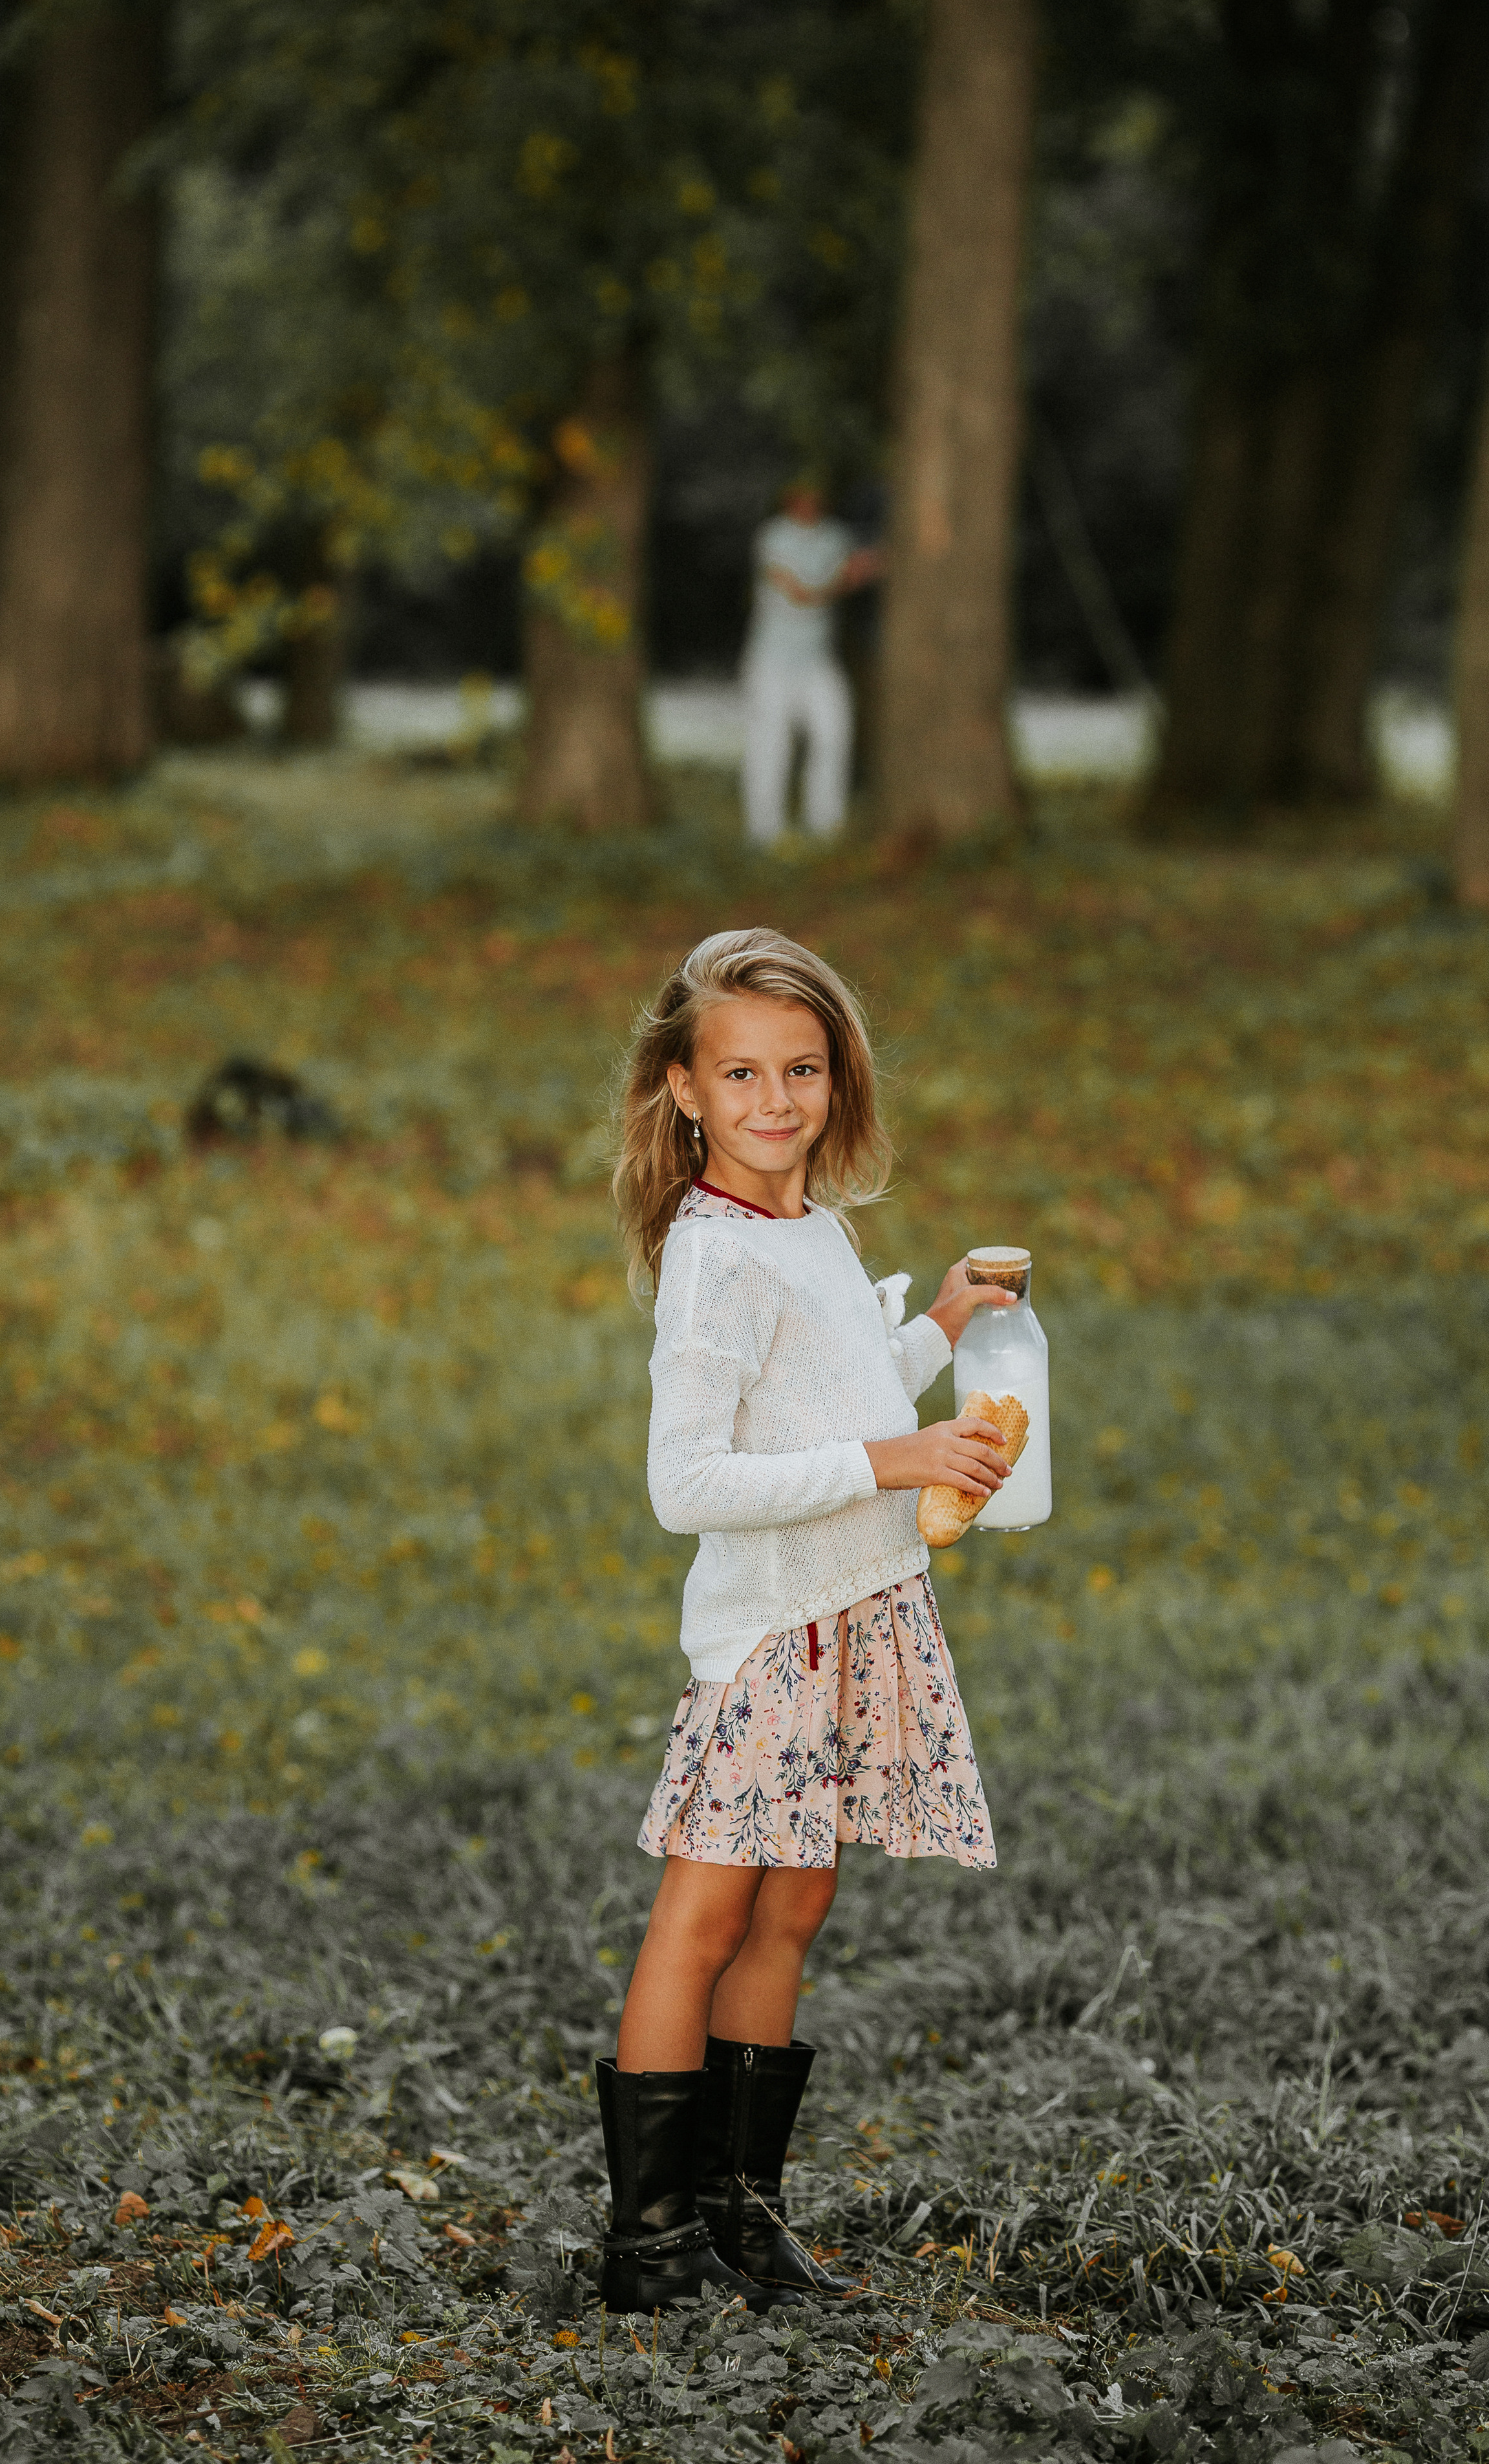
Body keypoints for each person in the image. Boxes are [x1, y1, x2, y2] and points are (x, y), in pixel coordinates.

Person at [599, 926, 1013, 2315]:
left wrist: (936, 1331)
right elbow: (688, 1484)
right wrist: (897, 1463)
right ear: (684, 1089)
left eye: (803, 1070)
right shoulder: (713, 1258)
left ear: (837, 1081)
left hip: (856, 1613)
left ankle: (740, 2215)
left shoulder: (812, 1228)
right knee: (703, 1918)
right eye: (741, 1074)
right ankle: (651, 2247)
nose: (775, 1100)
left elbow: (834, 1393)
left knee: (794, 1907)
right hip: (777, 1635)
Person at [741, 482, 881, 847]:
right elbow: (799, 592)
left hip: (817, 659)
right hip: (772, 659)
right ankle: (764, 833)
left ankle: (824, 826)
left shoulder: (835, 535)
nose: (809, 501)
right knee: (770, 743)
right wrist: (842, 580)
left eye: (815, 494)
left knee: (834, 735)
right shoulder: (774, 535)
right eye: (801, 494)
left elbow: (864, 565)